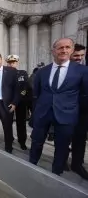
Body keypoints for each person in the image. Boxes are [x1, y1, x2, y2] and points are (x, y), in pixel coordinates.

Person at [29, 38, 88, 175]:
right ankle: (31, 167)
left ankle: (56, 174)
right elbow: (36, 95)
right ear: (53, 51)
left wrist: (74, 112)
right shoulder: (42, 72)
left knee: (61, 147)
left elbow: (84, 95)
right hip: (43, 114)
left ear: (72, 50)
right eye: (60, 47)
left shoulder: (83, 71)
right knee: (36, 142)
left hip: (67, 116)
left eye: (67, 47)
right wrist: (35, 114)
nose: (64, 50)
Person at [68, 43, 88, 180]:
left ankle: (77, 164)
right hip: (65, 111)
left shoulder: (86, 70)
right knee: (62, 138)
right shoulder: (62, 70)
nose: (79, 58)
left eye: (82, 55)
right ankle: (61, 161)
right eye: (76, 55)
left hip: (82, 112)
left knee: (80, 139)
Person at [6, 54, 29, 150]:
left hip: (21, 102)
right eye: (10, 62)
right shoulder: (5, 74)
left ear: (17, 62)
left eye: (14, 62)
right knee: (8, 122)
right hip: (9, 101)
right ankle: (9, 139)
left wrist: (18, 99)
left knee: (21, 123)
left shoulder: (23, 73)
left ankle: (22, 141)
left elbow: (25, 87)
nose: (12, 64)